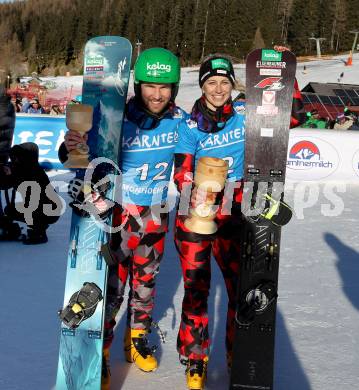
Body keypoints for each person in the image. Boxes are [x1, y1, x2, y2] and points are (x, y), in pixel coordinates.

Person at [173, 53, 305, 390]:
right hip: (197, 217)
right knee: (196, 292)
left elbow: (291, 118)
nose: (218, 89)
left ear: (233, 85)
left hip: (236, 215)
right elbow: (182, 171)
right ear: (202, 86)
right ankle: (195, 358)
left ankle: (238, 354)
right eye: (211, 83)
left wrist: (285, 75)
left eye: (224, 82)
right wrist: (195, 191)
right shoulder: (189, 126)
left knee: (239, 292)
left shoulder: (247, 112)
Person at [60, 48, 186, 390]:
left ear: (173, 88)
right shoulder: (116, 117)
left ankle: (139, 336)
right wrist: (70, 144)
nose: (157, 94)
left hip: (156, 217)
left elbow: (210, 142)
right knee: (112, 289)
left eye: (165, 87)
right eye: (150, 86)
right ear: (138, 84)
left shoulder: (181, 121)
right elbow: (73, 155)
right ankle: (101, 351)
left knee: (146, 284)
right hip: (116, 219)